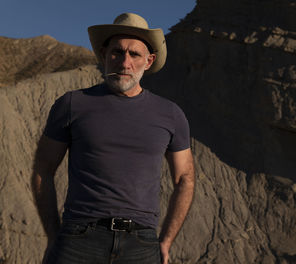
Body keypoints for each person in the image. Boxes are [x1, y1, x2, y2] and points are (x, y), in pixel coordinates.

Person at [31, 13, 195, 264]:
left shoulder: (170, 114)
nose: (124, 62)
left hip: (141, 245)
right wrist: (54, 236)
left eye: (135, 54)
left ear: (149, 61)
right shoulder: (72, 104)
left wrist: (165, 241)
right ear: (105, 54)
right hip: (78, 241)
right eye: (117, 52)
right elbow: (43, 168)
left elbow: (185, 178)